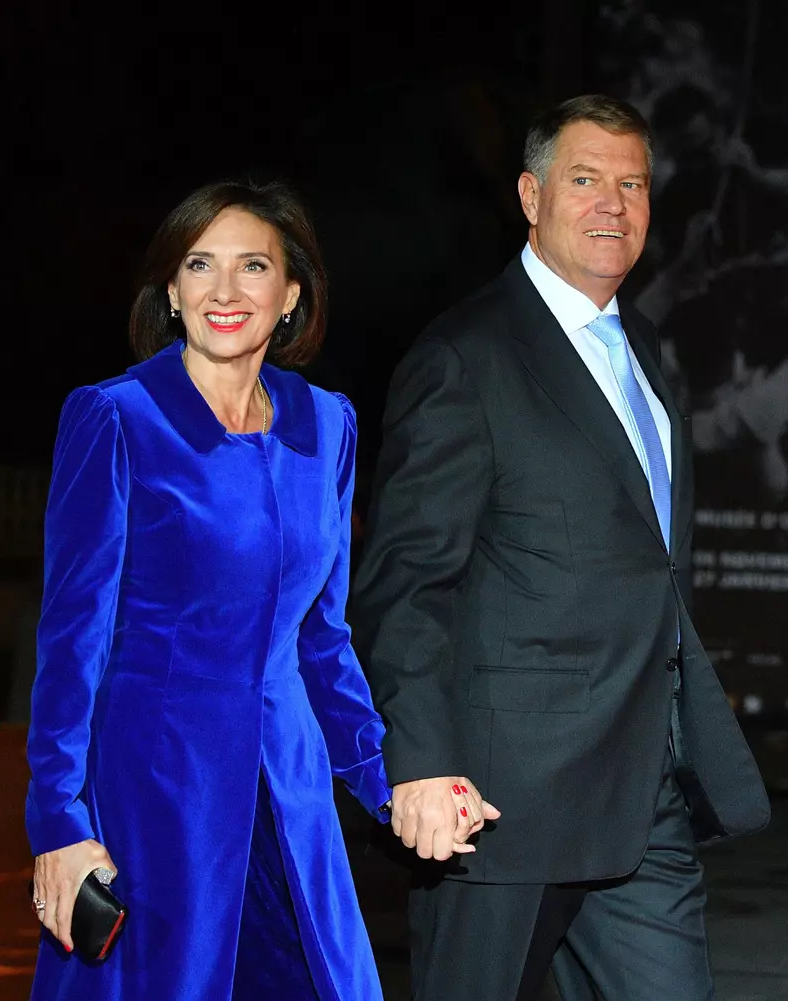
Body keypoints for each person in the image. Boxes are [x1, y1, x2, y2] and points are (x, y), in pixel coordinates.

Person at [351, 94, 771, 1001]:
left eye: (632, 184)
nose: (613, 204)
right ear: (531, 196)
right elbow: (407, 582)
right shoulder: (467, 355)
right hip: (504, 804)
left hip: (641, 793)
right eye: (585, 180)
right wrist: (419, 760)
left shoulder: (650, 353)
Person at [25, 179, 393, 1001]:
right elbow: (72, 639)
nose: (225, 291)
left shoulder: (327, 424)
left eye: (253, 266)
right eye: (200, 265)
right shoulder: (118, 418)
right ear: (172, 291)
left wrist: (385, 774)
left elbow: (321, 637)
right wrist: (59, 823)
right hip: (156, 789)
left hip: (289, 789)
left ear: (291, 294)